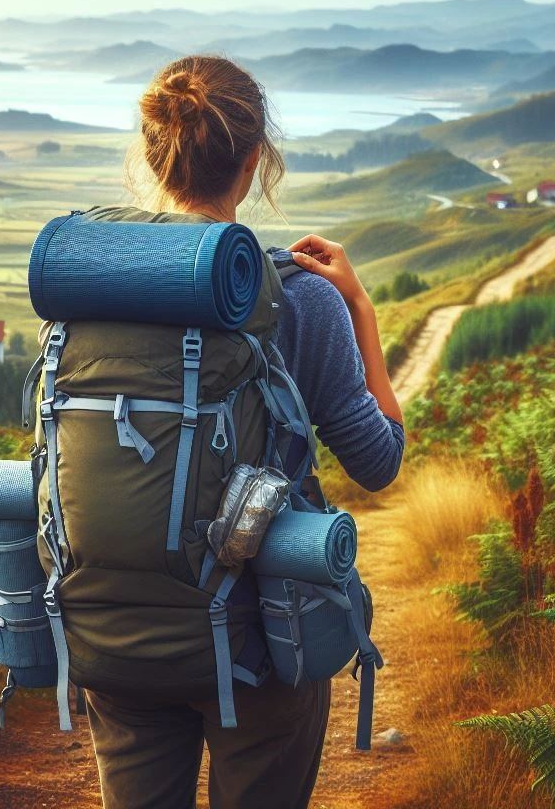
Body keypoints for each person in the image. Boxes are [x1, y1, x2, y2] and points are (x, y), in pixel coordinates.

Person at [85, 55, 405, 809]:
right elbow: (379, 459)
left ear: (152, 152)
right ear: (256, 160)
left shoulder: (90, 291)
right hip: (260, 637)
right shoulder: (298, 299)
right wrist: (359, 308)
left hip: (115, 638)